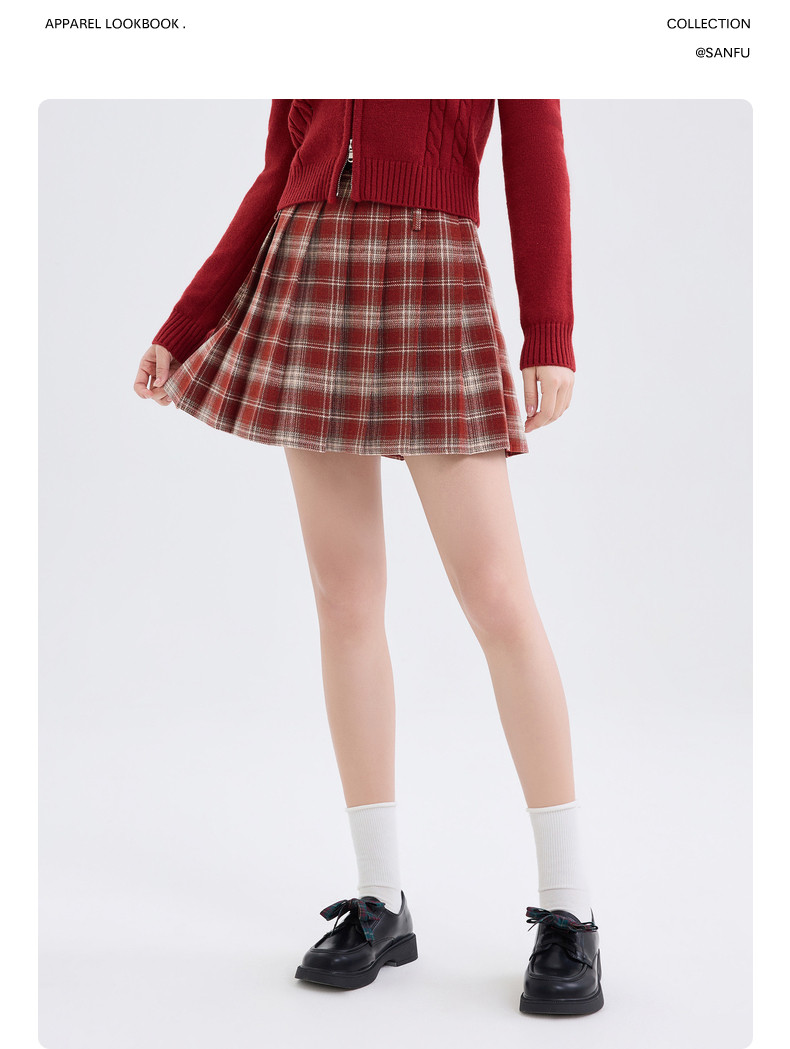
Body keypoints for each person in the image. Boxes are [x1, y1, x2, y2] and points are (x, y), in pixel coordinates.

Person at [133, 99, 603, 1016]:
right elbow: (279, 173)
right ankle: (381, 900)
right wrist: (183, 325)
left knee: (497, 596)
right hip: (307, 268)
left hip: (433, 265)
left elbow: (536, 151)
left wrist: (550, 330)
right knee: (343, 598)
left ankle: (569, 907)